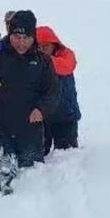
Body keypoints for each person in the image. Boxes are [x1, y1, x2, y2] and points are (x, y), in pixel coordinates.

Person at [0, 10, 59, 195]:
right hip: (1, 129)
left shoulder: (43, 60)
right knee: (3, 184)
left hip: (30, 131)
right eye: (16, 36)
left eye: (26, 37)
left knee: (30, 182)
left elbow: (53, 93)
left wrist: (42, 109)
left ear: (33, 37)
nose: (21, 42)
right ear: (10, 33)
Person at [35, 26, 81, 155]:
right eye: (39, 47)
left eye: (46, 46)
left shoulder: (66, 55)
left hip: (65, 116)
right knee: (40, 158)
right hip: (42, 117)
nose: (42, 50)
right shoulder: (34, 62)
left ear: (54, 45)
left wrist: (40, 61)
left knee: (67, 156)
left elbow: (66, 67)